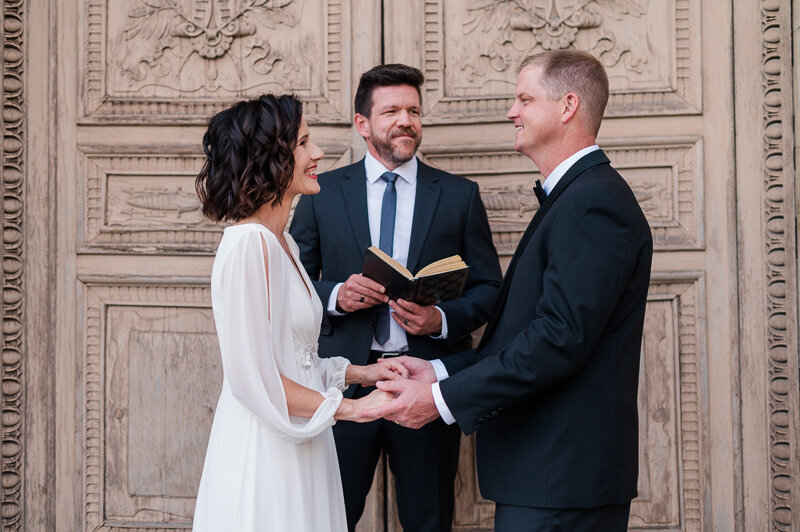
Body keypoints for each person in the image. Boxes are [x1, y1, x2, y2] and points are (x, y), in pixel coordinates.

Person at [363, 50, 654, 531]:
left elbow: (558, 341)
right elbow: (525, 334)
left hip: (562, 481)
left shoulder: (593, 203)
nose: (510, 111)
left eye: (524, 98)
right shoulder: (575, 197)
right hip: (546, 479)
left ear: (567, 107)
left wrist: (439, 400)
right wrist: (437, 370)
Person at [289, 64, 502, 531]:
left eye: (414, 110)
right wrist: (337, 296)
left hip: (425, 383)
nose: (406, 120)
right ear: (362, 124)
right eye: (391, 111)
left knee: (428, 520)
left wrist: (439, 320)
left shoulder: (460, 196)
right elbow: (292, 279)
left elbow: (490, 289)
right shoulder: (322, 195)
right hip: (343, 384)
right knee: (329, 517)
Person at [191, 94, 410, 532]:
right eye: (305, 142)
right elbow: (254, 378)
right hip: (268, 454)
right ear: (270, 156)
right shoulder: (247, 246)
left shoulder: (284, 244)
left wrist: (362, 375)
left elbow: (297, 361)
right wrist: (356, 411)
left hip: (307, 440)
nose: (318, 153)